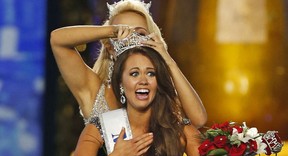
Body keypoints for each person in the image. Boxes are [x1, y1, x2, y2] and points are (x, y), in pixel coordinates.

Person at [63, 35, 232, 156]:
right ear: (121, 82)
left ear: (158, 82)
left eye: (150, 73)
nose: (143, 80)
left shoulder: (179, 129)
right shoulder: (99, 129)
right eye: (134, 73)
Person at [50, 0, 207, 129]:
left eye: (139, 34)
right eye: (123, 35)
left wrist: (168, 61)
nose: (132, 41)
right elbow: (58, 40)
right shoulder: (95, 92)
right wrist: (111, 30)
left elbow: (199, 120)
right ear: (110, 47)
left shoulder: (157, 94)